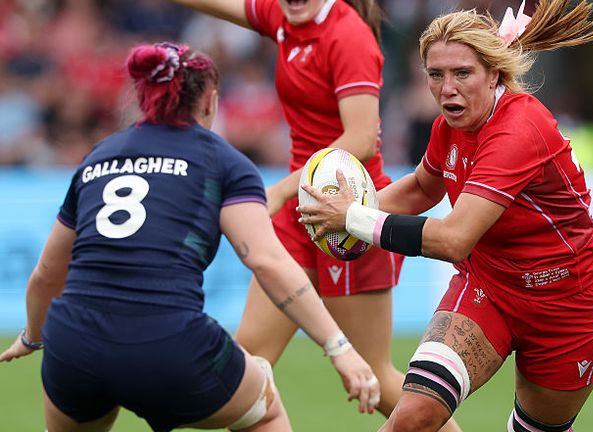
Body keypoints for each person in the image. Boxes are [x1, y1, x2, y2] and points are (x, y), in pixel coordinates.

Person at [0, 42, 379, 432]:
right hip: (168, 344)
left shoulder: (98, 157)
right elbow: (267, 261)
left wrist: (32, 337)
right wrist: (339, 348)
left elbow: (47, 274)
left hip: (74, 344)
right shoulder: (224, 161)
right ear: (210, 101)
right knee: (263, 410)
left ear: (144, 99)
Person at [299, 1, 593, 431]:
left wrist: (354, 219)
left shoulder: (518, 130)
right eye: (436, 74)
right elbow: (422, 188)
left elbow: (453, 239)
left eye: (462, 73)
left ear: (494, 75)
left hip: (565, 307)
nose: (447, 88)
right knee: (411, 418)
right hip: (487, 289)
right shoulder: (449, 125)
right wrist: (344, 210)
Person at [167, 2, 461, 429]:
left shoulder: (348, 35)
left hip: (348, 214)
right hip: (298, 212)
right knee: (247, 365)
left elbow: (360, 140)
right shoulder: (281, 15)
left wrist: (281, 191)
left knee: (375, 375)